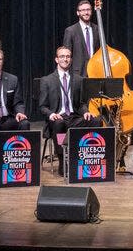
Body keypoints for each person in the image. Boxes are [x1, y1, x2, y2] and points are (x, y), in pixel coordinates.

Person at [38, 46, 103, 175]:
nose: (65, 59)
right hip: (57, 119)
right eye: (62, 56)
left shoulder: (78, 80)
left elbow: (81, 103)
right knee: (59, 123)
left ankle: (90, 159)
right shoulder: (47, 80)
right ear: (56, 59)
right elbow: (42, 106)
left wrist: (85, 111)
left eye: (68, 56)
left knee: (96, 121)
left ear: (71, 59)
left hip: (73, 118)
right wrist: (51, 114)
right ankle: (63, 161)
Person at [62, 0, 100, 76]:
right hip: (77, 74)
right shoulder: (70, 31)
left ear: (91, 11)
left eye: (88, 10)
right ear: (78, 13)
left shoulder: (97, 29)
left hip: (95, 72)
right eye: (83, 10)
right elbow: (66, 55)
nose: (86, 13)